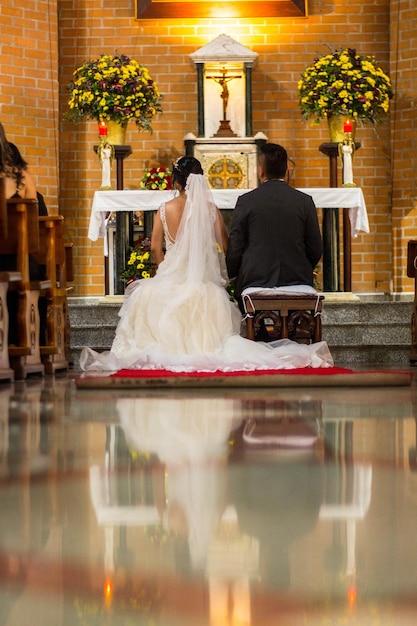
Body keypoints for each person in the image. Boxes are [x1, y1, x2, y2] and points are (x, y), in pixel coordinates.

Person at [80, 156, 333, 372]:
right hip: (202, 281)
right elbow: (225, 245)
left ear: (176, 180)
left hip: (170, 276)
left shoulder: (164, 208)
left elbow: (156, 247)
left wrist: (164, 271)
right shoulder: (210, 209)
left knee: (145, 297)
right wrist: (222, 273)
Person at [226, 143, 323, 313]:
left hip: (256, 279)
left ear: (261, 170)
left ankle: (260, 334)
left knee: (242, 300)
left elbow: (235, 246)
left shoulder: (247, 201)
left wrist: (233, 275)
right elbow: (316, 248)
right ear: (286, 168)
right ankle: (292, 332)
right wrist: (302, 269)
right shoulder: (304, 201)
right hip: (297, 277)